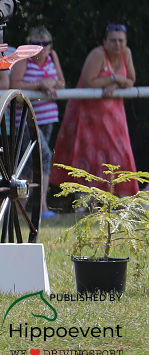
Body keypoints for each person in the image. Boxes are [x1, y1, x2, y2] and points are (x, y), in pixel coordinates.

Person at [50, 24, 138, 196]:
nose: (117, 44)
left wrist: (114, 83)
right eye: (113, 40)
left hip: (114, 112)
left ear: (125, 42)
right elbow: (90, 81)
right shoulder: (98, 54)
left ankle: (119, 198)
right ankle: (84, 201)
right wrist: (115, 78)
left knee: (119, 152)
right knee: (87, 155)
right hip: (87, 113)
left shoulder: (126, 53)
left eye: (121, 41)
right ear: (104, 42)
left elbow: (131, 80)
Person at [9, 27, 65, 218]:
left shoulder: (53, 57)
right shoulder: (24, 59)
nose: (40, 47)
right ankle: (41, 207)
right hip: (25, 121)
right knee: (44, 156)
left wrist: (51, 82)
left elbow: (62, 82)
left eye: (44, 43)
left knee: (33, 165)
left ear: (50, 45)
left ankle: (22, 208)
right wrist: (39, 84)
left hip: (47, 118)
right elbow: (14, 84)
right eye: (35, 43)